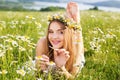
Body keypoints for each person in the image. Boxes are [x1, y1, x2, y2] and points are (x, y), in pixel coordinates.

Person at [35, 2, 85, 79]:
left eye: (61, 32)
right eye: (51, 32)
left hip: (73, 46)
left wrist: (61, 67)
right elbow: (37, 75)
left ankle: (76, 21)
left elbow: (72, 77)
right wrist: (43, 69)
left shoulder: (75, 47)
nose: (54, 37)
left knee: (78, 41)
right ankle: (74, 22)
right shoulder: (42, 43)